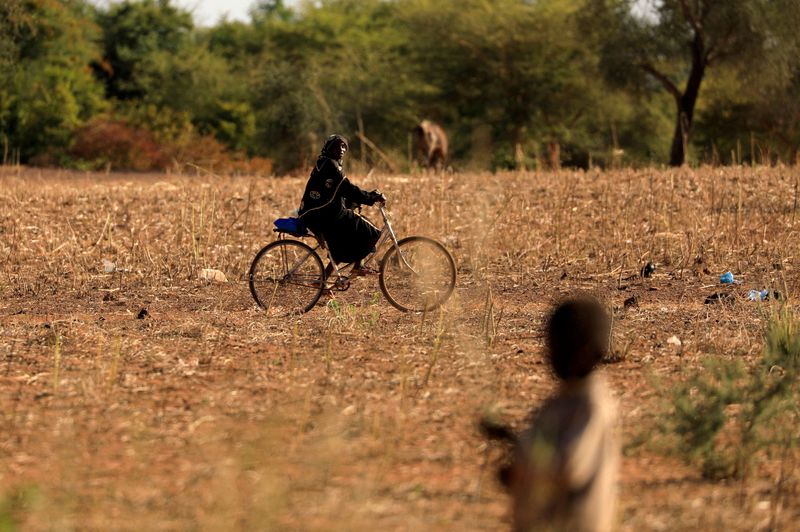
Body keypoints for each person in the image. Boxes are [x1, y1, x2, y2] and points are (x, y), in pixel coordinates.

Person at [482, 296, 619, 532]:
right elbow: (545, 447)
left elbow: (568, 467)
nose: (549, 355)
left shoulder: (593, 406)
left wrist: (523, 468)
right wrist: (510, 439)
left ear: (583, 352)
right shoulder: (561, 400)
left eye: (556, 346)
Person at [298, 135, 384, 278]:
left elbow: (334, 192)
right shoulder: (331, 165)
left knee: (342, 243)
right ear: (328, 147)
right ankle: (358, 267)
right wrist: (371, 197)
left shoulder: (323, 163)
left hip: (314, 214)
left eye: (344, 146)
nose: (342, 149)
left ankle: (323, 282)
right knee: (371, 230)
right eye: (338, 145)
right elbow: (347, 188)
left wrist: (352, 202)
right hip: (323, 215)